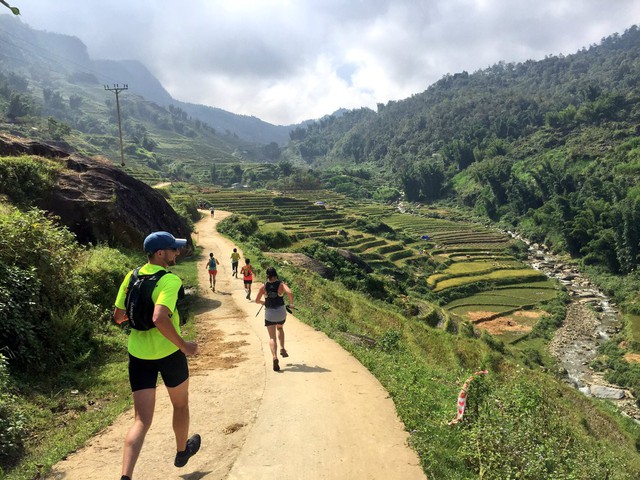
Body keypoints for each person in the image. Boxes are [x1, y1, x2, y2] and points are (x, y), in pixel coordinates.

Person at [113, 231, 200, 480]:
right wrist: (184, 345)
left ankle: (125, 476)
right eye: (173, 249)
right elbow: (159, 317)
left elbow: (118, 317)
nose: (176, 253)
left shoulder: (132, 276)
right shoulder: (169, 281)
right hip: (169, 353)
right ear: (160, 253)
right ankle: (182, 452)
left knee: (141, 419)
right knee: (180, 404)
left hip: (139, 355)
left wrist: (139, 314)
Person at [255, 266, 294, 372]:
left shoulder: (263, 286)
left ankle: (274, 357)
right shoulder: (281, 284)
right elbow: (290, 293)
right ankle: (282, 348)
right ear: (275, 274)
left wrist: (264, 302)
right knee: (280, 328)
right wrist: (291, 304)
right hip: (281, 313)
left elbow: (257, 300)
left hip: (270, 314)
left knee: (272, 337)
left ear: (267, 275)